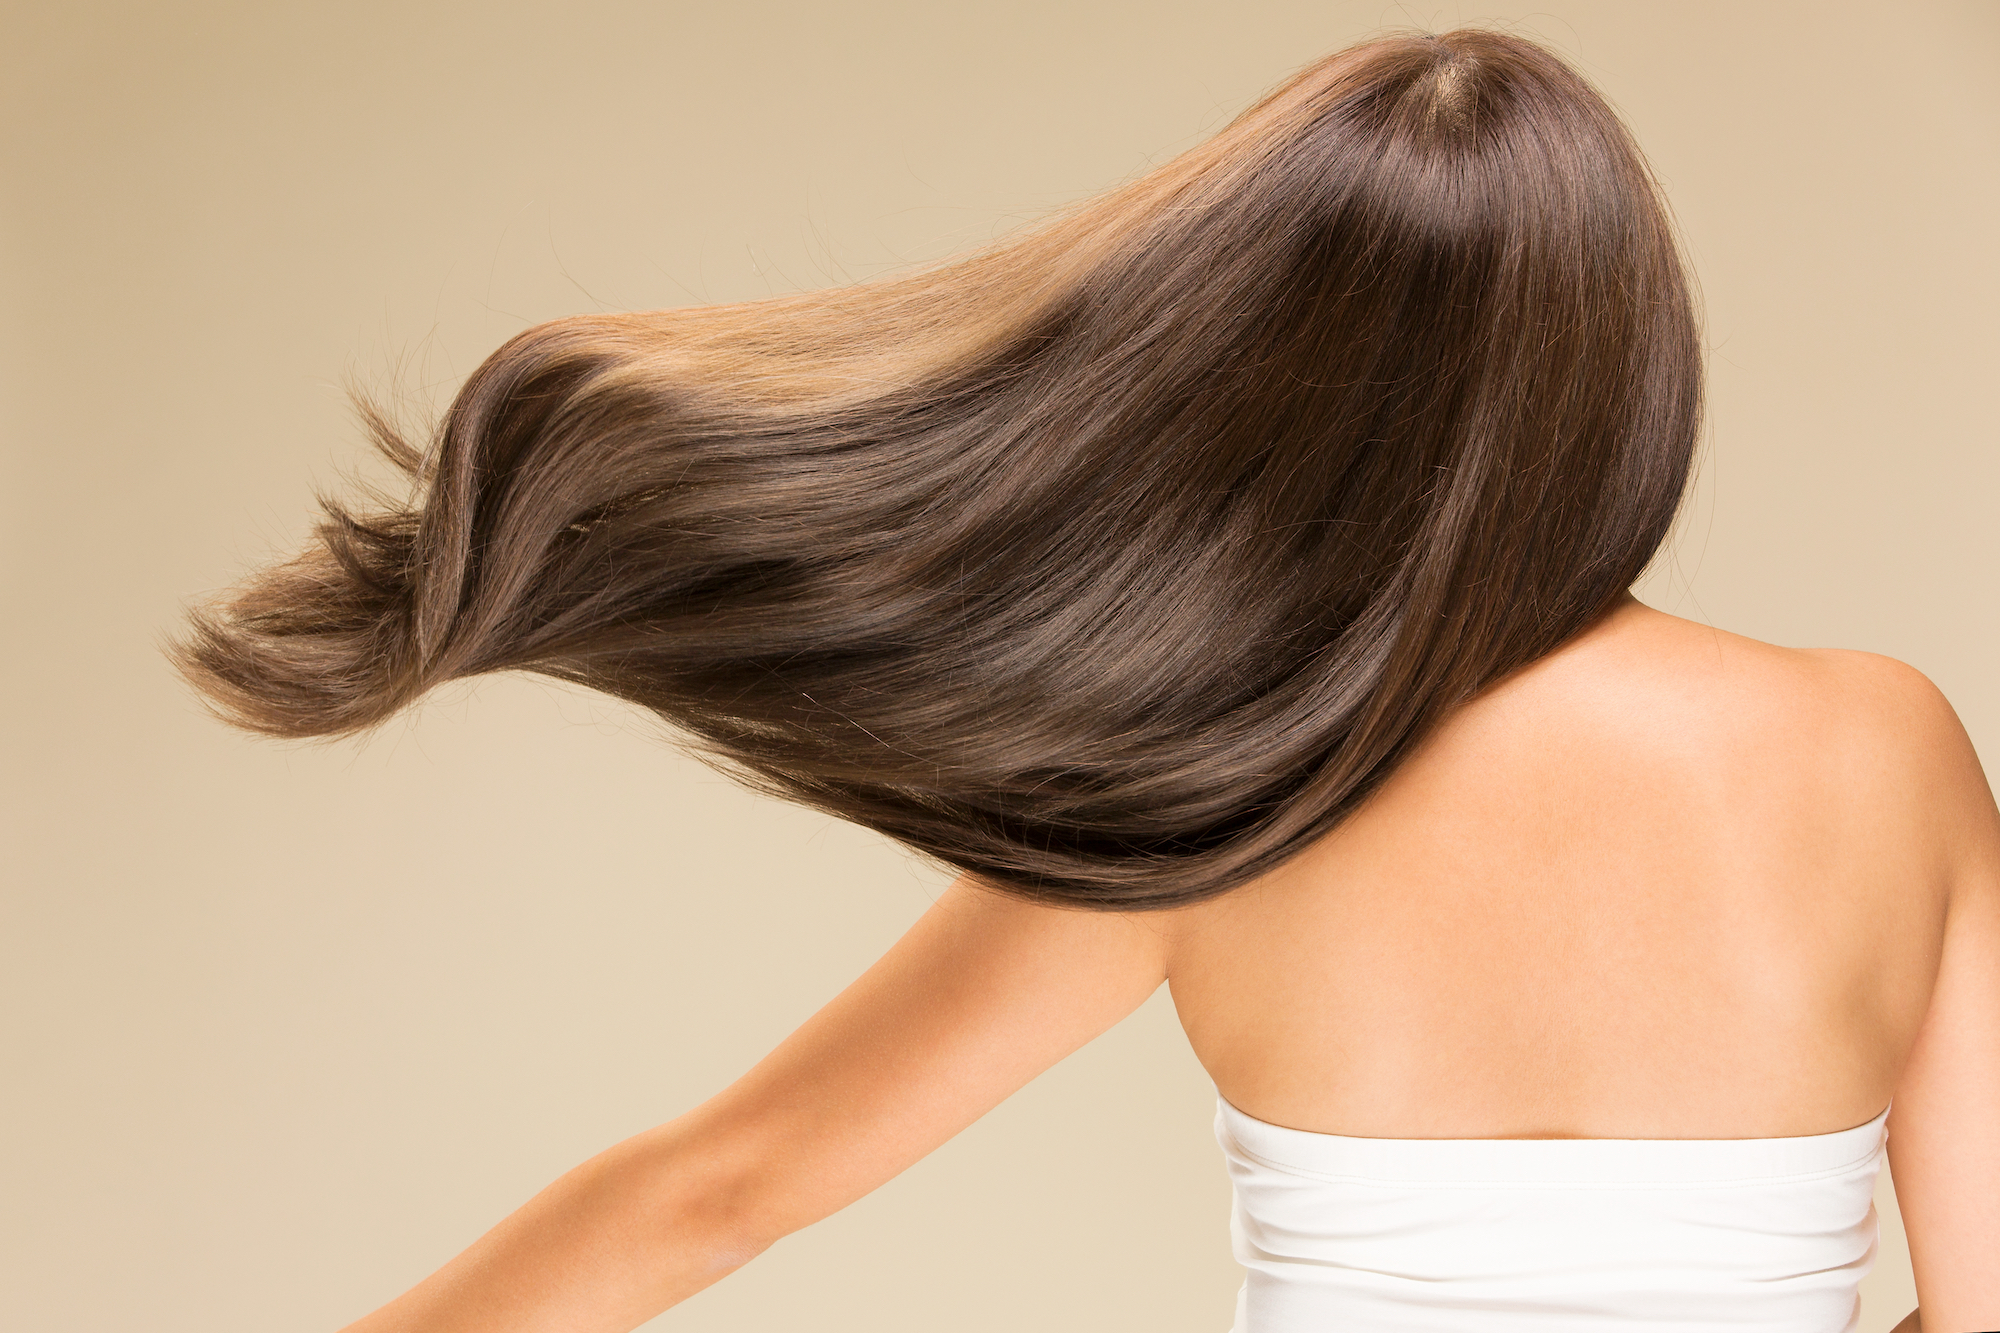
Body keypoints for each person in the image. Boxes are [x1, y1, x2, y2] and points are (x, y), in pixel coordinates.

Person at [169, 24, 1997, 1333]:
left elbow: (711, 1196)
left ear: (1263, 371)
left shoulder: (1235, 788)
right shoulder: (1887, 749)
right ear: (1629, 369)